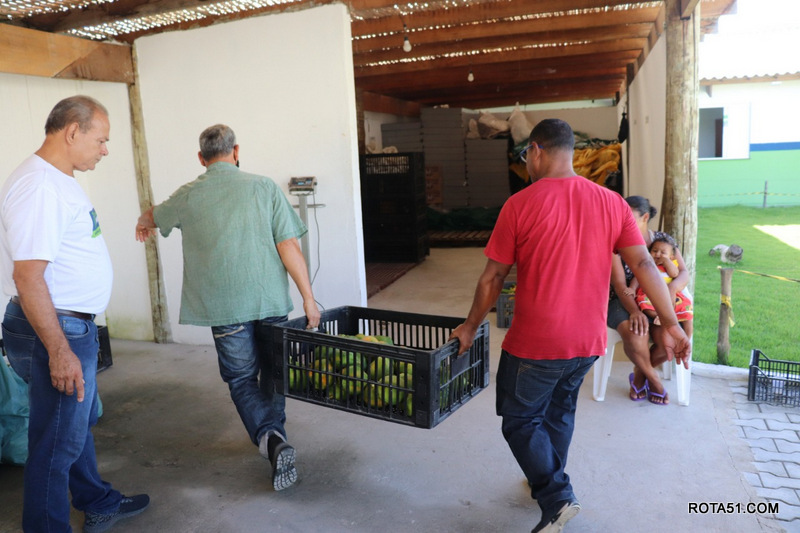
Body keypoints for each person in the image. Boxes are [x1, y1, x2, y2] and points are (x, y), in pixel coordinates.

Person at [449, 119, 691, 533]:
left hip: (536, 342)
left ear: (536, 151)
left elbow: (493, 278)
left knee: (519, 419)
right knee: (559, 412)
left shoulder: (520, 204)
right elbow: (644, 264)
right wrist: (670, 322)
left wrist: (470, 325)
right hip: (589, 341)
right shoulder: (612, 202)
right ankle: (546, 480)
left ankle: (556, 496)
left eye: (526, 155)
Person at [135, 124, 320, 491]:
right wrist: (308, 299)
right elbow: (288, 246)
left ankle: (272, 439)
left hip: (224, 308)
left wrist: (144, 223)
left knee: (241, 379)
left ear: (201, 159)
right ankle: (275, 439)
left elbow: (155, 214)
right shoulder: (264, 187)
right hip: (269, 300)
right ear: (236, 152)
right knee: (274, 373)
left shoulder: (189, 194)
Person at [0, 95, 149, 532]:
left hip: (64, 324)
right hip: (55, 328)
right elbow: (28, 276)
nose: (105, 150)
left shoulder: (55, 180)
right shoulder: (40, 187)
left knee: (70, 424)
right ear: (72, 132)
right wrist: (60, 350)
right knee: (56, 444)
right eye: (101, 140)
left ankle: (97, 500)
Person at [608, 196, 690, 405]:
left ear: (645, 217)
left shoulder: (662, 241)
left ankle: (639, 375)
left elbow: (683, 273)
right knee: (637, 334)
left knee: (667, 341)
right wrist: (635, 311)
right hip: (623, 299)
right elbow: (619, 284)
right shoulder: (615, 241)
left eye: (628, 216)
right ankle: (654, 379)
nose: (621, 221)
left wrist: (671, 289)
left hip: (655, 299)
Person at [629, 235, 694, 333]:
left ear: (671, 257)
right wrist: (632, 288)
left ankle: (687, 339)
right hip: (649, 293)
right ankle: (659, 317)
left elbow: (674, 274)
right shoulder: (648, 265)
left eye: (663, 253)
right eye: (654, 251)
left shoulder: (670, 265)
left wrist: (666, 261)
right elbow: (638, 277)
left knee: (687, 313)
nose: (658, 254)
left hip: (670, 295)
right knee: (645, 305)